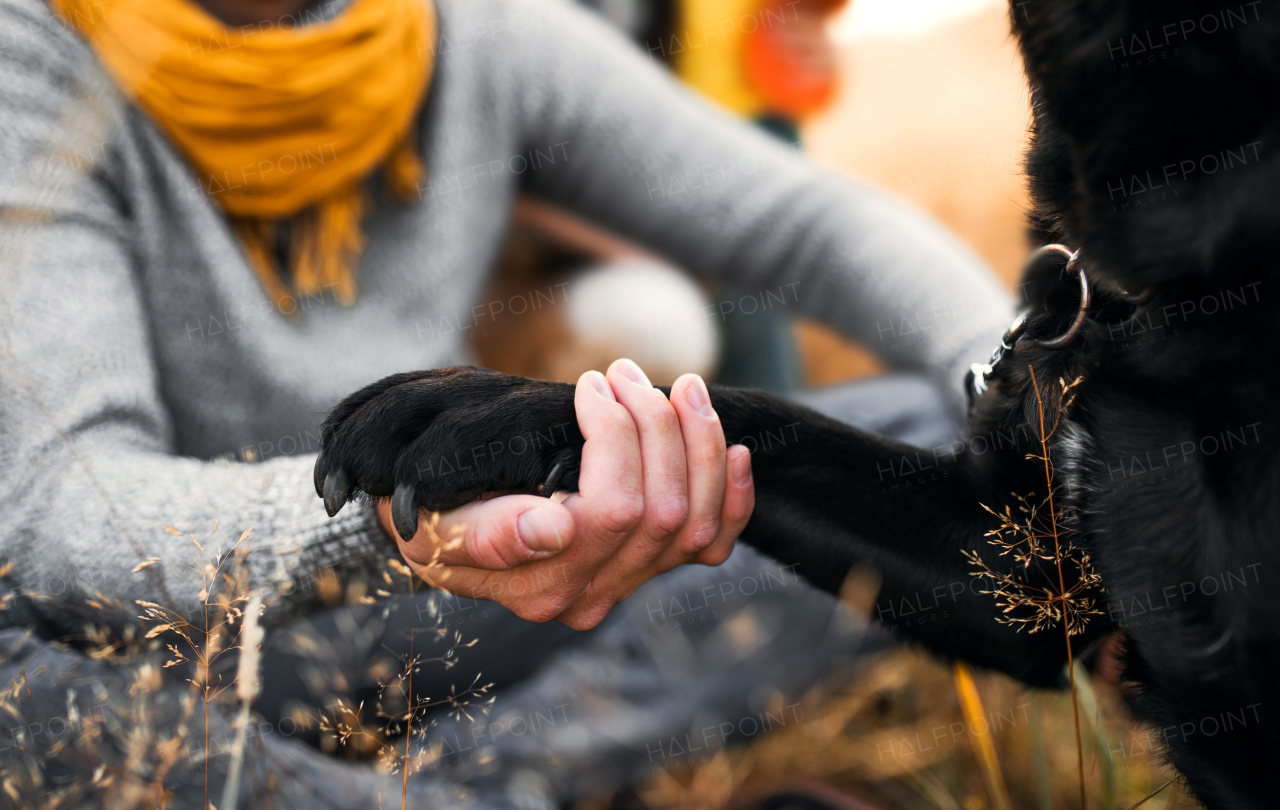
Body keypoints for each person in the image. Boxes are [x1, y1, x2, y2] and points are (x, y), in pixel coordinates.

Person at [0, 0, 1013, 805]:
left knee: (915, 440)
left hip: (470, 604)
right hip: (178, 654)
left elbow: (802, 223)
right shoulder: (30, 55)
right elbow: (56, 508)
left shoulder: (466, 29)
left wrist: (1021, 386)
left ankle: (491, 778)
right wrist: (395, 533)